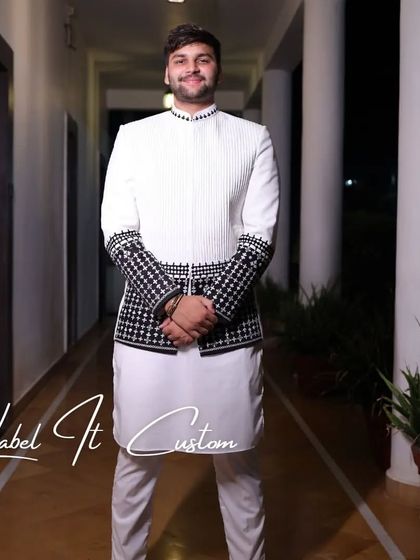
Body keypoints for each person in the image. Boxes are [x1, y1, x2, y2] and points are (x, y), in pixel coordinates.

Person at [101, 22, 280, 560]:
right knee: (136, 460)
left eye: (202, 58)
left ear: (216, 70)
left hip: (229, 323)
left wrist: (209, 308)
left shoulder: (253, 138)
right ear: (167, 72)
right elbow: (118, 231)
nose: (192, 68)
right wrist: (173, 302)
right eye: (181, 60)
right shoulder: (133, 137)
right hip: (147, 320)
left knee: (238, 463)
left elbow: (259, 236)